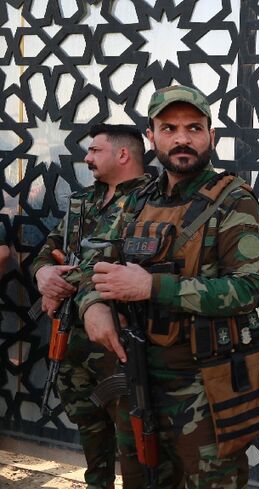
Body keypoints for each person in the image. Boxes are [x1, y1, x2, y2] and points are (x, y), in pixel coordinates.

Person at [82, 84, 259, 487]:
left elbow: (246, 290)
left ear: (211, 136)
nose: (182, 138)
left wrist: (153, 287)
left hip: (204, 387)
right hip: (136, 377)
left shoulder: (233, 199)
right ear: (151, 137)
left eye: (194, 127)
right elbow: (93, 265)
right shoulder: (138, 199)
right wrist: (92, 305)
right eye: (169, 128)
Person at [32, 123, 152, 488]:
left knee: (133, 439)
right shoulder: (83, 200)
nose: (86, 158)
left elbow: (113, 267)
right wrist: (43, 276)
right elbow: (46, 252)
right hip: (73, 337)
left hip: (119, 340)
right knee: (88, 424)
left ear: (123, 154)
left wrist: (64, 281)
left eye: (94, 150)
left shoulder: (151, 201)